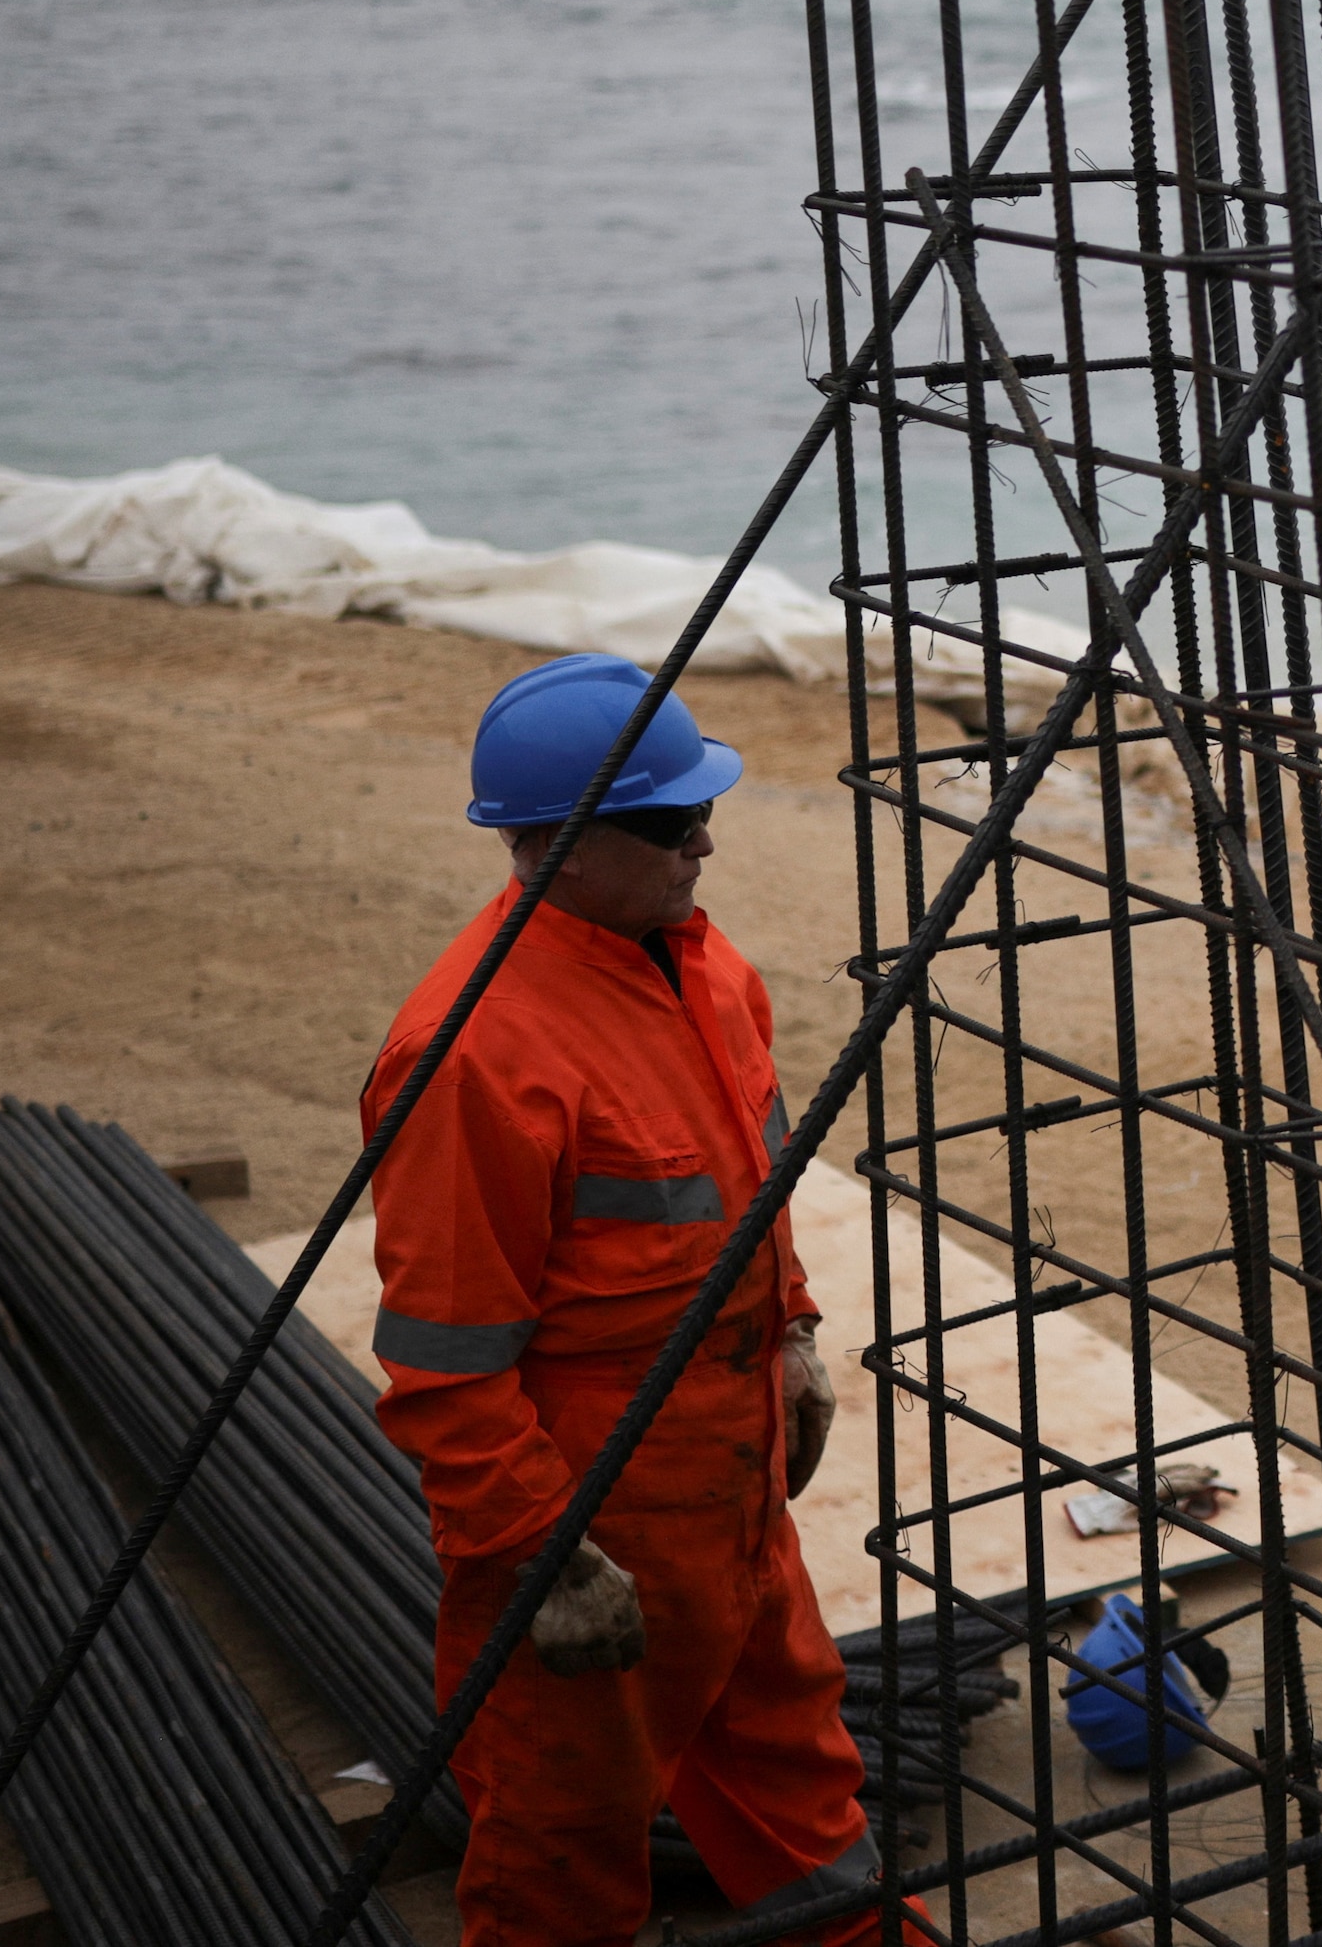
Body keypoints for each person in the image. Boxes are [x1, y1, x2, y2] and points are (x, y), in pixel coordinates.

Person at [364, 652, 914, 1947]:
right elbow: (447, 1361)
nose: (705, 840)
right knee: (564, 1831)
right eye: (672, 821)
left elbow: (749, 1176)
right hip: (594, 1500)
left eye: (702, 807)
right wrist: (534, 1552)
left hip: (728, 1480)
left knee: (798, 1765)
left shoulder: (705, 967)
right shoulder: (473, 1052)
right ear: (557, 839)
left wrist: (791, 1325)